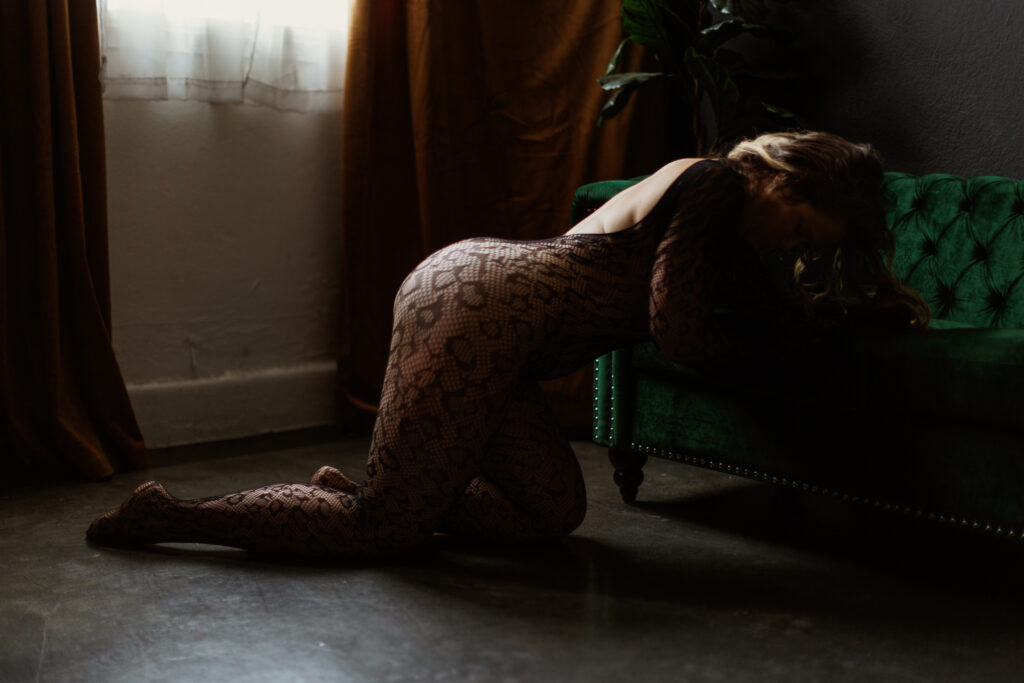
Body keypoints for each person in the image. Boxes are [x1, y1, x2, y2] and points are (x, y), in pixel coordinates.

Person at [86, 131, 929, 557]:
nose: (794, 249)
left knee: (551, 512)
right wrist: (777, 356)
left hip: (494, 321)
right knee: (387, 529)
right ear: (785, 180)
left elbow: (725, 309)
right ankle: (170, 514)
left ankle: (384, 478)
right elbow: (677, 327)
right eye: (802, 228)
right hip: (479, 303)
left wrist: (841, 317)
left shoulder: (720, 213)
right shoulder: (714, 184)